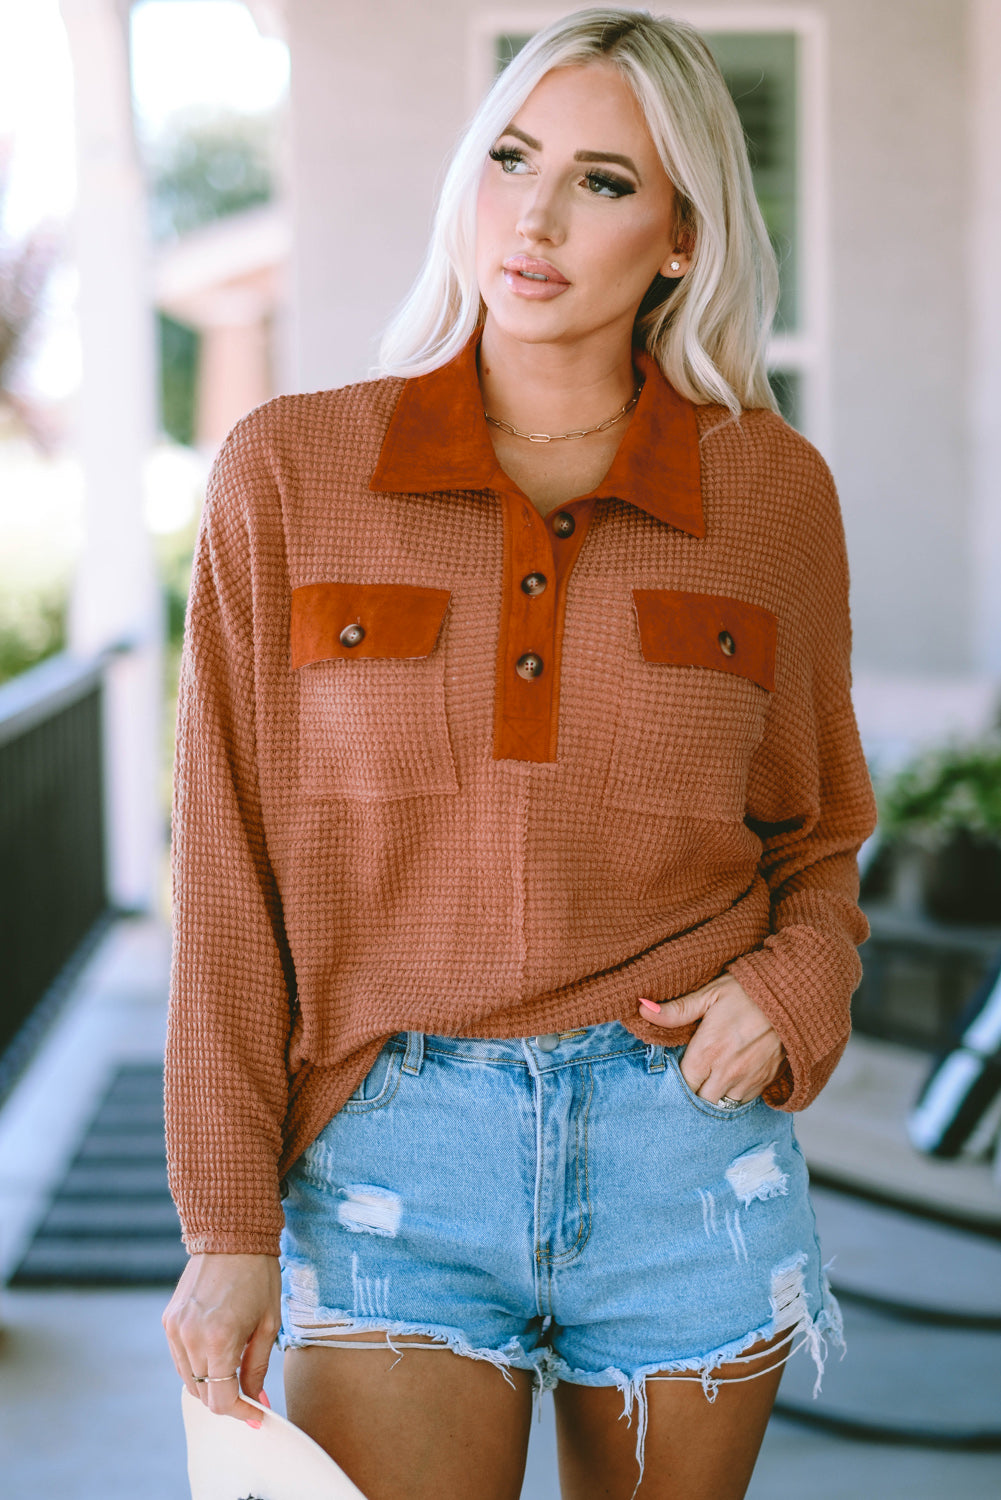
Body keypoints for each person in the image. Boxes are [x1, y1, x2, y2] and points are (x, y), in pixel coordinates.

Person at [162, 9, 877, 1499]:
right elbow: (225, 875)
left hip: (686, 1146)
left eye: (604, 182)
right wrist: (226, 1229)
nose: (535, 217)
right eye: (510, 158)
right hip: (389, 1154)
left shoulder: (768, 492)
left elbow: (815, 843)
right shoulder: (290, 472)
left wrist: (792, 989)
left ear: (679, 236)